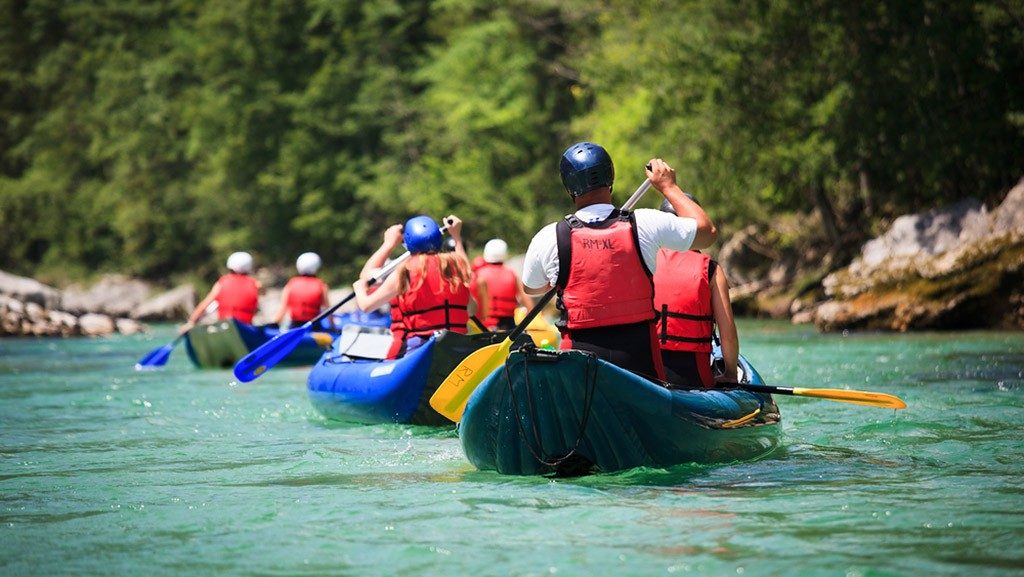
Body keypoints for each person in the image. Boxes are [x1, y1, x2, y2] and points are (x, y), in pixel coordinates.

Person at [521, 142, 717, 380]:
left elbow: (532, 288)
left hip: (580, 366)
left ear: (568, 187)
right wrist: (669, 187)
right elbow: (707, 232)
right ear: (610, 177)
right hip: (640, 364)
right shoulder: (646, 223)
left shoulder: (549, 237)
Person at [352, 215, 475, 359]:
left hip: (421, 347)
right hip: (458, 344)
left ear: (408, 242)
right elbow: (472, 309)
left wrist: (388, 244)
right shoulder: (456, 266)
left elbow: (367, 304)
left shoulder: (405, 271)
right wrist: (457, 237)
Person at [653, 198, 738, 388]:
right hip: (693, 377)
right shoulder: (711, 270)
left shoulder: (644, 260)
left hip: (646, 372)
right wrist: (731, 373)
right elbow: (728, 332)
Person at [181, 251, 261, 333]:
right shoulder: (256, 284)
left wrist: (191, 322)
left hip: (225, 327)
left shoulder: (222, 283)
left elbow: (205, 304)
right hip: (246, 328)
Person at [472, 238, 531, 330]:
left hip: (485, 325)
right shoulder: (511, 274)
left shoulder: (479, 274)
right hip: (509, 325)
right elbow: (528, 303)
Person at [271, 252, 330, 327]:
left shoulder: (291, 284)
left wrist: (273, 324)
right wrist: (333, 327)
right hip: (314, 326)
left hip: (295, 326)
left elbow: (283, 309)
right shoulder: (321, 286)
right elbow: (327, 310)